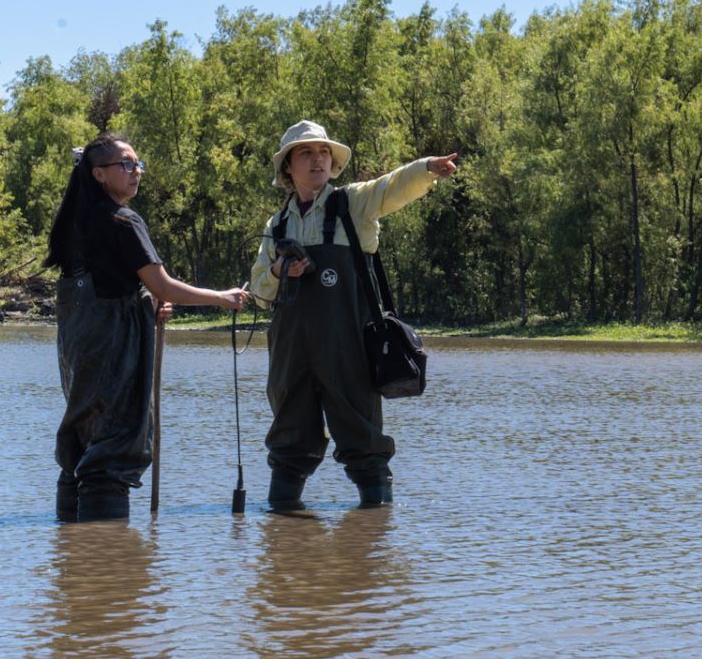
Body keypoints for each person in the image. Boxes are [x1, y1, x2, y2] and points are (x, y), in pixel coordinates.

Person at [247, 120, 459, 509]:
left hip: (348, 348)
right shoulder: (276, 225)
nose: (317, 160)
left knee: (363, 437)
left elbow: (390, 188)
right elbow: (259, 291)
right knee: (289, 440)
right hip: (290, 353)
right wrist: (280, 270)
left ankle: (377, 512)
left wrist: (427, 167)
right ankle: (283, 526)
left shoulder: (353, 204)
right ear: (288, 169)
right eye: (306, 153)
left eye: (323, 152)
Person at [45, 132, 247, 523]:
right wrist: (221, 297)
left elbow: (118, 285)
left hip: (80, 349)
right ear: (99, 174)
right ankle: (108, 562)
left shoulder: (77, 221)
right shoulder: (122, 220)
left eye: (138, 164)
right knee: (113, 446)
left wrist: (142, 305)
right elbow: (163, 285)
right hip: (111, 350)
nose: (136, 171)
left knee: (83, 440)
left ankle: (71, 550)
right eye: (126, 164)